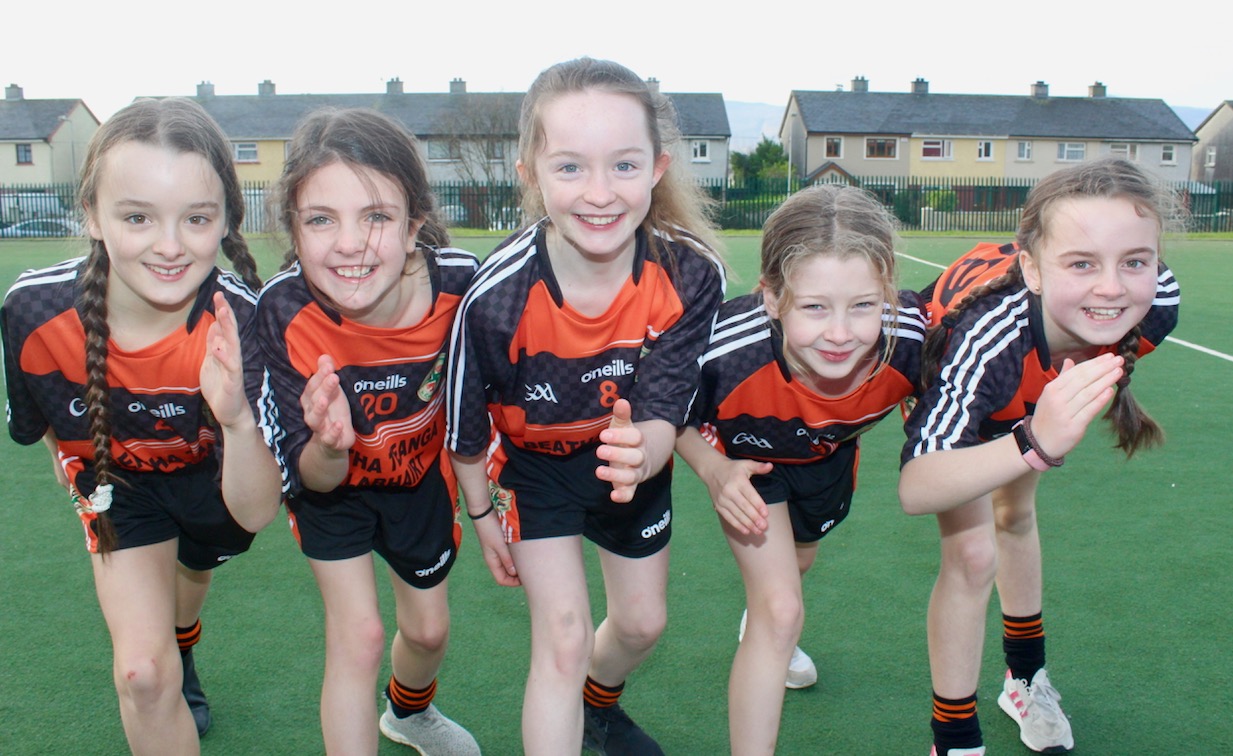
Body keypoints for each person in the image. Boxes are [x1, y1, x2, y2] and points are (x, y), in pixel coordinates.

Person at [445, 57, 726, 755]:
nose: (599, 193)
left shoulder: (690, 273)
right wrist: (480, 513)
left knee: (639, 625)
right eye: (570, 168)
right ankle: (572, 702)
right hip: (535, 469)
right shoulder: (496, 298)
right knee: (563, 640)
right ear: (530, 172)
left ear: (658, 167)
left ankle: (596, 707)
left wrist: (644, 453)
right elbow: (465, 424)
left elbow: (665, 402)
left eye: (623, 166)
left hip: (632, 462)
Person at [1, 98, 281, 754]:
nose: (168, 245)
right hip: (114, 485)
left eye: (196, 218)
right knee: (142, 674)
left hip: (215, 485)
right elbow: (47, 429)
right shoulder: (30, 313)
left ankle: (183, 640)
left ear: (224, 221)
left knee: (191, 577)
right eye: (136, 217)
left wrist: (238, 419)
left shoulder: (248, 324)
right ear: (92, 216)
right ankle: (167, 659)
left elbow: (255, 509)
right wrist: (89, 498)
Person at [899, 157, 1181, 756]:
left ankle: (1025, 679)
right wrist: (1034, 442)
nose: (1112, 286)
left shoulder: (1157, 300)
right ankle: (954, 739)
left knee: (1016, 515)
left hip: (1032, 385)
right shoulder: (984, 336)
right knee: (973, 553)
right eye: (1082, 263)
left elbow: (1108, 319)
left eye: (1136, 261)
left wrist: (1035, 435)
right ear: (1032, 267)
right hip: (964, 376)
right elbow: (918, 487)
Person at [255, 108, 481, 755]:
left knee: (429, 633)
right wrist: (328, 444)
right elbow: (308, 474)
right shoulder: (283, 310)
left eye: (375, 216)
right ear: (294, 232)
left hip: (419, 480)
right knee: (358, 637)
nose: (349, 243)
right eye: (321, 219)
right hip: (334, 493)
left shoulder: (461, 285)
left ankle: (407, 714)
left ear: (414, 226)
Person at [674, 184, 927, 754]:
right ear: (771, 297)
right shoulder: (720, 351)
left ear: (887, 292)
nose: (840, 333)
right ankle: (768, 628)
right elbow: (669, 417)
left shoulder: (912, 342)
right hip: (747, 464)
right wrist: (715, 471)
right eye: (814, 307)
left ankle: (762, 620)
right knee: (782, 610)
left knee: (800, 561)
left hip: (827, 458)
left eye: (863, 305)